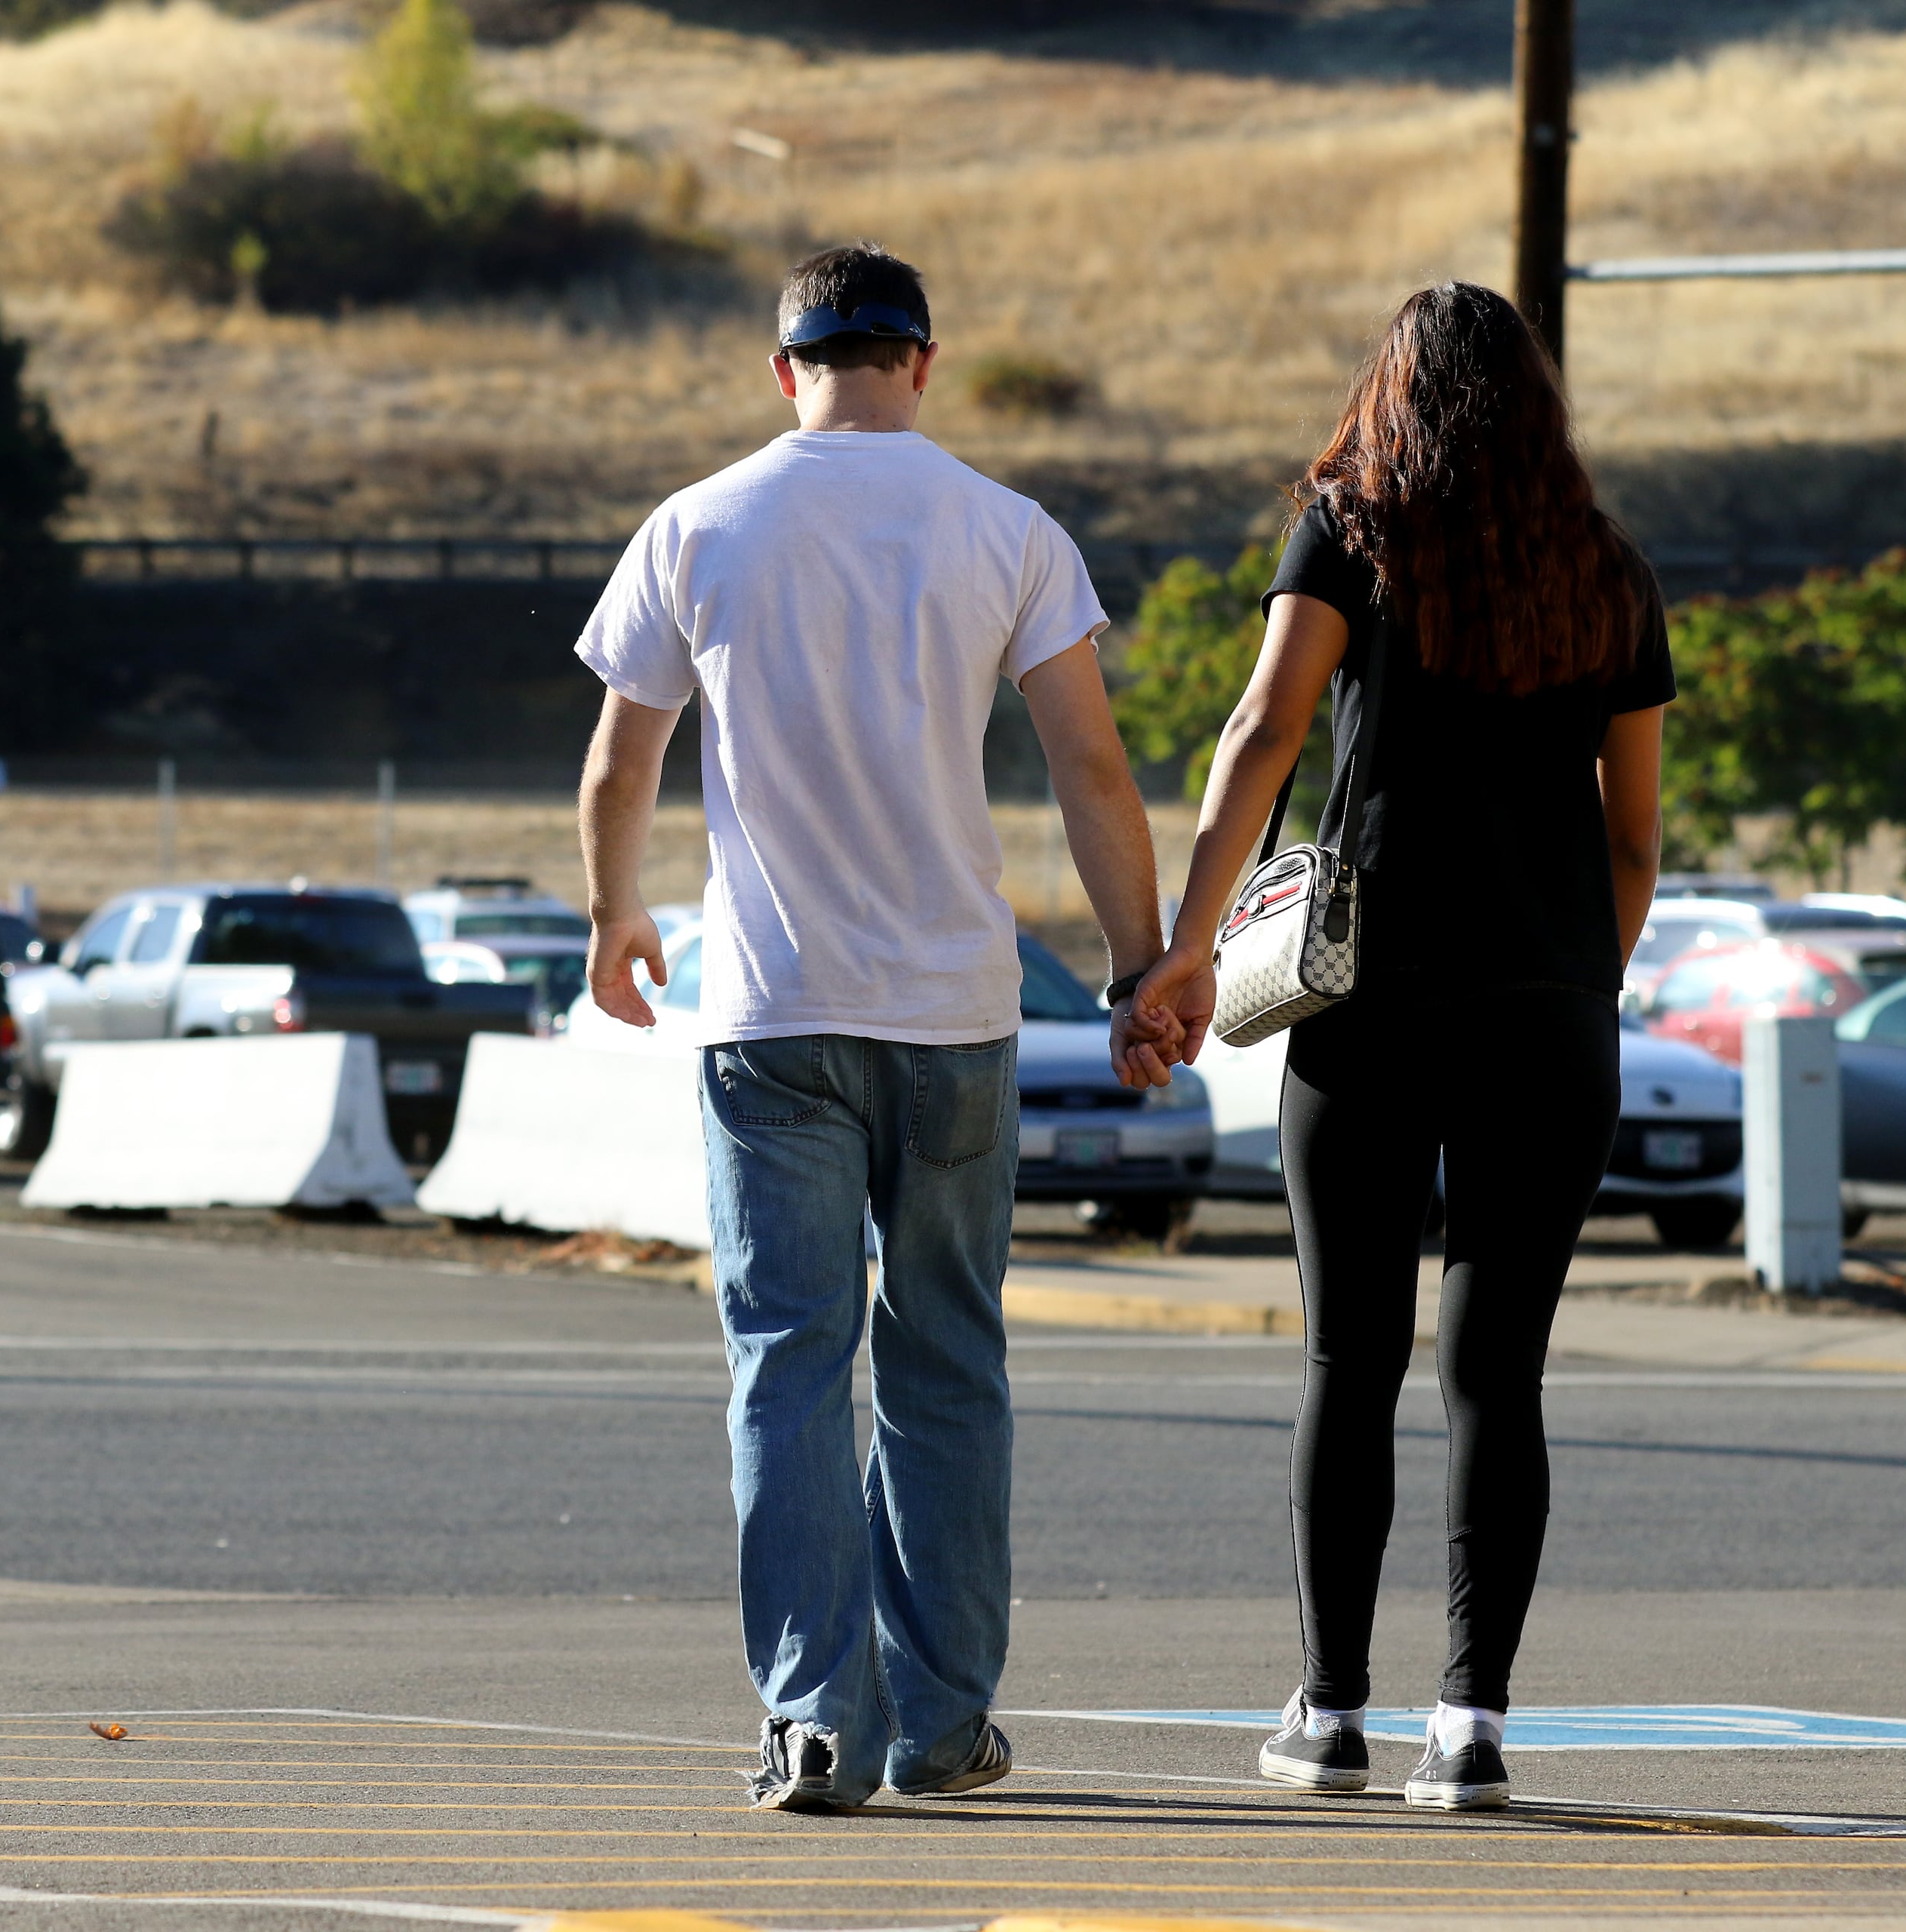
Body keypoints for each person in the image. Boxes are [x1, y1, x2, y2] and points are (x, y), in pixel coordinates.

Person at [576, 244, 1180, 1812]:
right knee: (947, 1366)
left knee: (786, 1360)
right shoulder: (1008, 530)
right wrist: (1140, 966)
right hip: (954, 1016)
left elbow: (619, 764)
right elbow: (1092, 775)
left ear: (784, 370)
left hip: (769, 1014)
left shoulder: (696, 524)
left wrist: (613, 914)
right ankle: (943, 1719)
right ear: (924, 361)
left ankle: (813, 1720)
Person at [1130, 283, 1672, 1813]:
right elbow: (1633, 842)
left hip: (1366, 1003)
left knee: (1347, 1358)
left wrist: (1184, 943)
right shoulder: (1609, 574)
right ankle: (1475, 1725)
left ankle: (1328, 1714)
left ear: (1393, 393)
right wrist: (1573, 984)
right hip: (1550, 1015)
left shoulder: (1349, 532)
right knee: (1500, 1373)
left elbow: (1263, 731)